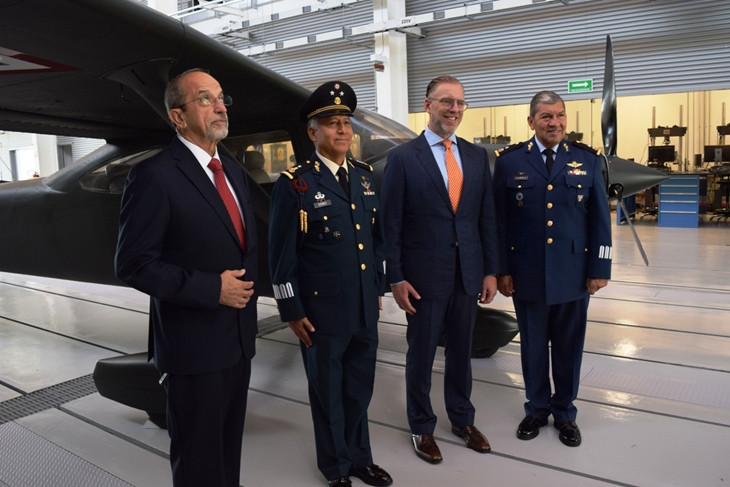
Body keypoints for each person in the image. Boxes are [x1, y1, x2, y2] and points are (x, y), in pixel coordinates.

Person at [115, 68, 257, 486]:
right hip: (192, 349)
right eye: (206, 99)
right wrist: (213, 289)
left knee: (228, 454)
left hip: (236, 343)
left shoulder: (232, 174)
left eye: (221, 97)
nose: (220, 106)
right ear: (177, 116)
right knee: (198, 463)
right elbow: (134, 264)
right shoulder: (154, 176)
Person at [268, 81, 392, 487]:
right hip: (320, 314)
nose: (341, 130)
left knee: (359, 389)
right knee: (327, 394)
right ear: (313, 132)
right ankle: (336, 468)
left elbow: (375, 242)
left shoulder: (364, 176)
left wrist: (376, 288)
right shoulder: (296, 183)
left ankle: (360, 459)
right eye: (331, 124)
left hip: (361, 309)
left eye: (345, 123)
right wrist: (292, 310)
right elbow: (282, 256)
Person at [380, 75, 499, 464]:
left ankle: (463, 419)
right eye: (446, 102)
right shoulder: (402, 159)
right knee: (421, 354)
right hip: (423, 278)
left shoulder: (477, 156)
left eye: (461, 103)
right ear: (428, 105)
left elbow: (486, 220)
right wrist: (395, 277)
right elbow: (391, 225)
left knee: (462, 354)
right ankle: (422, 425)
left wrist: (489, 271)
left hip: (467, 274)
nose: (454, 109)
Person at [492, 90, 612, 447]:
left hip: (574, 274)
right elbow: (499, 222)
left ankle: (565, 413)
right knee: (531, 347)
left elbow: (600, 221)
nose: (555, 123)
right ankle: (536, 409)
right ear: (531, 121)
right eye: (546, 117)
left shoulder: (587, 161)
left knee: (568, 346)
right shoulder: (510, 162)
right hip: (525, 273)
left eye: (560, 115)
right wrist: (501, 269)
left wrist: (599, 267)